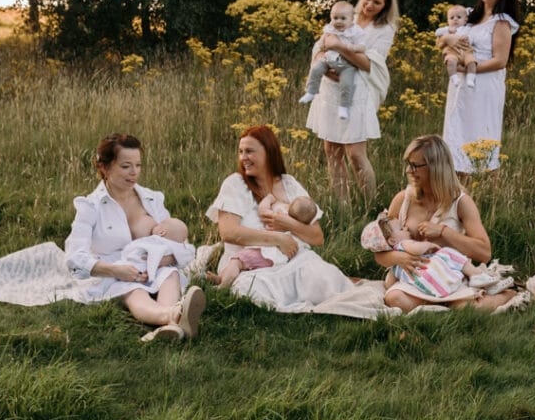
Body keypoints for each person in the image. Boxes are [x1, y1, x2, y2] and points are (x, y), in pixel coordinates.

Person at [64, 133, 205, 342]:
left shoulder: (151, 198)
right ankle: (173, 316)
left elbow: (178, 244)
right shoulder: (90, 207)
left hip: (153, 265)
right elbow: (75, 257)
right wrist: (115, 270)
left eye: (138, 165)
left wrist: (162, 261)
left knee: (170, 275)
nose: (134, 173)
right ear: (105, 167)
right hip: (114, 271)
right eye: (126, 166)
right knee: (134, 290)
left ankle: (168, 327)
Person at [205, 125, 353, 309]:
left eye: (249, 151)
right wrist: (278, 239)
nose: (243, 158)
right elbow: (229, 232)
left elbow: (317, 237)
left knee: (326, 277)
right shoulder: (235, 183)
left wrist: (287, 223)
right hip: (247, 263)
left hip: (291, 258)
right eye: (241, 151)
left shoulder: (289, 184)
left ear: (269, 152)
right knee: (251, 288)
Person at [374, 135, 517, 312]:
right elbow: (379, 252)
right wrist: (398, 258)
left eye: (415, 166)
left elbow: (484, 253)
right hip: (415, 280)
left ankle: (506, 295)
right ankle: (445, 304)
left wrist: (443, 232)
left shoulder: (461, 202)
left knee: (468, 309)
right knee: (394, 299)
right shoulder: (402, 200)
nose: (408, 171)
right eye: (408, 164)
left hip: (451, 277)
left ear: (436, 168)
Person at [306, 0, 400, 200]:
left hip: (358, 92)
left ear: (385, 6)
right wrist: (320, 58)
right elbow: (322, 43)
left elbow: (369, 64)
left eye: (377, 3)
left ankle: (370, 206)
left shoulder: (384, 30)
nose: (369, 5)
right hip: (331, 89)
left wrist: (340, 46)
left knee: (356, 153)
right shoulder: (347, 15)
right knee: (332, 151)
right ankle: (344, 207)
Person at [441, 0, 521, 174]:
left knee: (481, 134)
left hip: (484, 85)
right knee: (457, 133)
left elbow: (500, 61)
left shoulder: (501, 22)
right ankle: (458, 186)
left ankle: (488, 191)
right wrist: (448, 41)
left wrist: (467, 68)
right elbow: (442, 38)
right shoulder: (469, 15)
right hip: (460, 83)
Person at [361, 212, 510, 296]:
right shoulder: (403, 245)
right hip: (433, 273)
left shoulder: (395, 267)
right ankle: (476, 276)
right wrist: (429, 245)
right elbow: (415, 249)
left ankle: (486, 287)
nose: (406, 227)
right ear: (393, 240)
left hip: (429, 288)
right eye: (401, 228)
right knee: (448, 253)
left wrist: (387, 287)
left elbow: (389, 283)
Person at [205, 195, 318, 288]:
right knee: (241, 264)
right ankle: (221, 278)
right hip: (277, 258)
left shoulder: (280, 215)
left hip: (264, 251)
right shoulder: (301, 230)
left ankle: (222, 284)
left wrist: (269, 198)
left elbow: (262, 210)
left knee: (236, 261)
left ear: (289, 208)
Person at [299, 1, 367, 120]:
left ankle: (344, 107)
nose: (338, 21)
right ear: (331, 17)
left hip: (347, 65)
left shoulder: (356, 32)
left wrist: (353, 48)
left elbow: (363, 47)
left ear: (351, 19)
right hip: (328, 59)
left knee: (347, 84)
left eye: (343, 18)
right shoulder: (330, 29)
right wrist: (321, 47)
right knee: (315, 69)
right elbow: (321, 42)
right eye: (335, 18)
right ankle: (311, 91)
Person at [435, 4, 477, 88]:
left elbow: (473, 39)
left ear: (465, 20)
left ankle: (470, 78)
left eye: (458, 17)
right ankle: (454, 77)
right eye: (451, 18)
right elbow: (437, 32)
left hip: (466, 52)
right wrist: (447, 30)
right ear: (448, 20)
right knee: (450, 62)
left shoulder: (468, 29)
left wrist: (468, 38)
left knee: (472, 63)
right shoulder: (447, 29)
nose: (455, 19)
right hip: (452, 52)